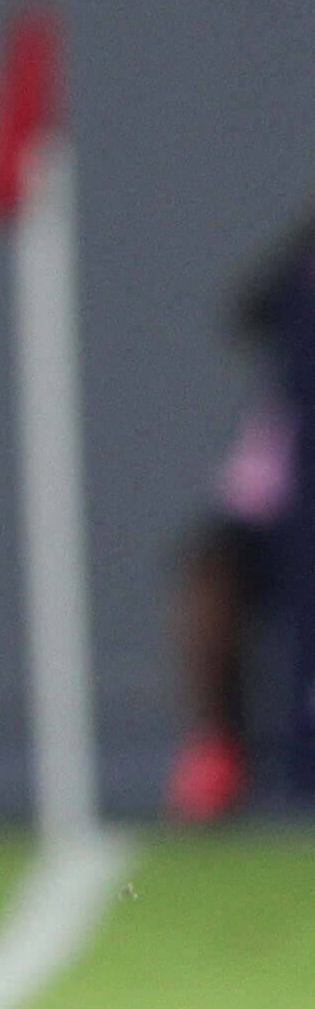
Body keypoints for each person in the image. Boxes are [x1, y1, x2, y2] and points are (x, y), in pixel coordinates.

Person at [164, 203, 315, 820]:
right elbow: (250, 308)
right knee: (211, 573)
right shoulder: (293, 291)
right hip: (282, 519)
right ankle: (220, 748)